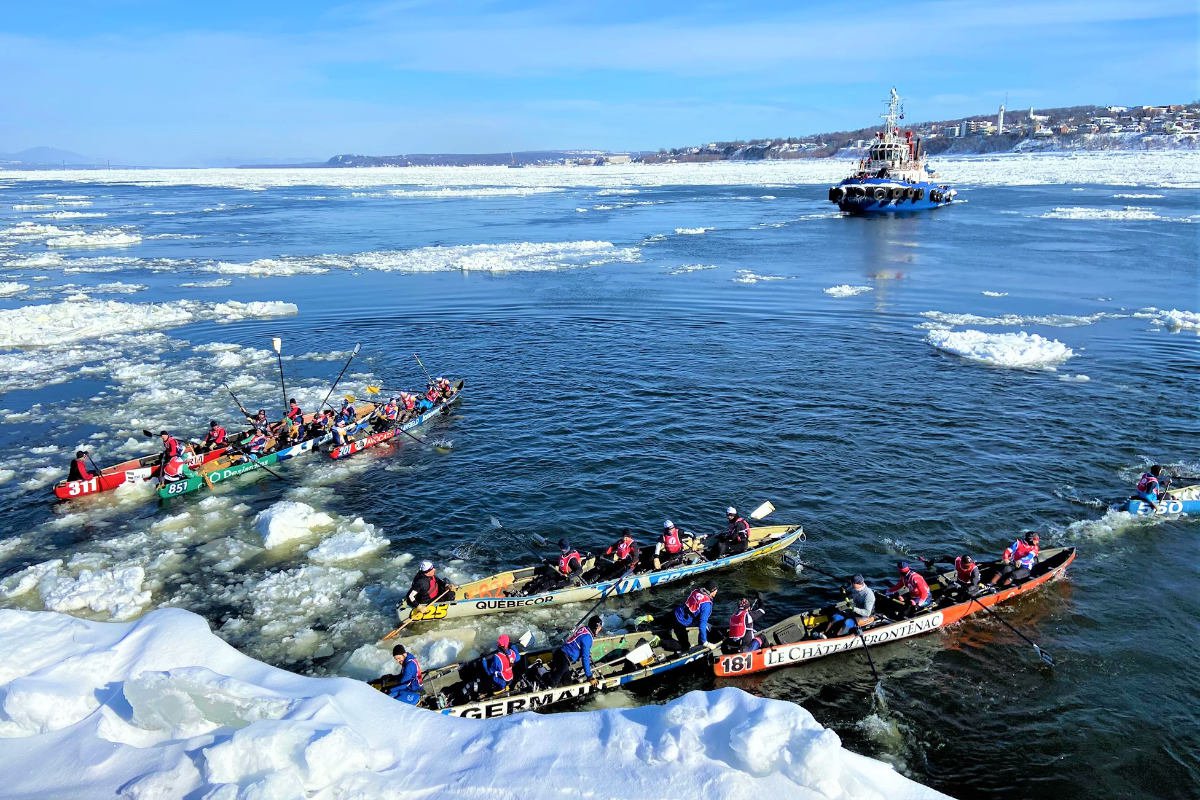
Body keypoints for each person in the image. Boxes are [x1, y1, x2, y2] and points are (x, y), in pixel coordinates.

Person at [548, 616, 604, 687]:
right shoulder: (587, 638)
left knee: (567, 683)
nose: (600, 630)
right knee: (553, 682)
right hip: (563, 659)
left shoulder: (584, 629)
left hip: (560, 654)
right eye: (599, 628)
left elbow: (578, 642)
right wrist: (590, 677)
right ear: (594, 628)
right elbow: (585, 658)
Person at [669, 584, 717, 649]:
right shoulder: (706, 605)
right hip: (681, 621)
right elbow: (702, 624)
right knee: (685, 647)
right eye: (716, 590)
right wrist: (705, 642)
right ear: (712, 590)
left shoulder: (696, 591)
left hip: (676, 612)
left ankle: (700, 643)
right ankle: (702, 643)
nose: (716, 592)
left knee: (706, 626)